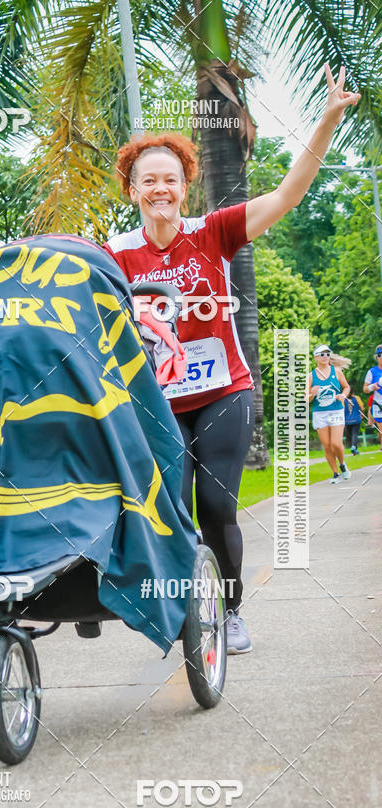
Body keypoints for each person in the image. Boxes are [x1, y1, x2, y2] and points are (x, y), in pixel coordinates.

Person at [103, 64, 360, 654]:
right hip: (158, 402)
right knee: (167, 508)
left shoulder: (213, 231)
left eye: (171, 178)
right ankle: (175, 600)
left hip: (223, 392)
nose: (161, 189)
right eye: (149, 181)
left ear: (184, 186)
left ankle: (232, 610)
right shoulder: (114, 255)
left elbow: (290, 192)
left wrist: (324, 121)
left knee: (216, 503)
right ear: (133, 190)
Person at [308, 345, 351, 482]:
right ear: (316, 357)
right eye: (322, 354)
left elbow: (346, 387)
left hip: (336, 410)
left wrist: (343, 396)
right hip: (319, 413)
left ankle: (342, 464)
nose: (325, 356)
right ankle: (335, 473)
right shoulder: (310, 376)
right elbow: (306, 399)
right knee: (326, 445)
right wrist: (312, 394)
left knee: (336, 444)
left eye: (327, 354)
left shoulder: (336, 371)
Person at [363, 343, 382, 450]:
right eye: (380, 355)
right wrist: (372, 387)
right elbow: (365, 389)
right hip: (378, 404)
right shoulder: (372, 372)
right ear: (376, 357)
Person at [343, 385, 364, 454]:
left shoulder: (343, 399)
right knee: (355, 434)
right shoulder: (357, 398)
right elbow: (362, 408)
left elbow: (342, 409)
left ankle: (354, 450)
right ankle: (354, 447)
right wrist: (361, 414)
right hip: (356, 419)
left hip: (347, 420)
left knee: (350, 435)